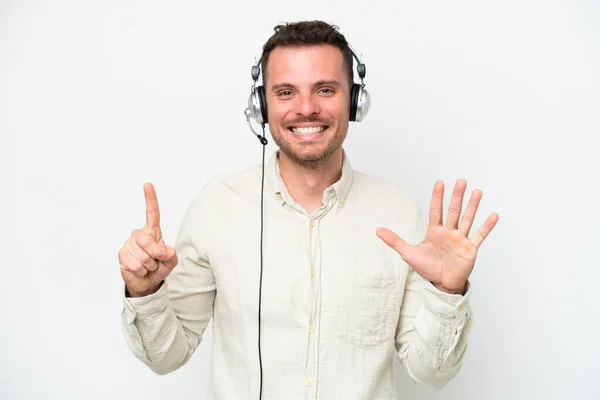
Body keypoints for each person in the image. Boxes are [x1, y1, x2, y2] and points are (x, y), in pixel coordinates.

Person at [119, 20, 499, 399]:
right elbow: (165, 357)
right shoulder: (217, 206)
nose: (306, 108)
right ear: (261, 104)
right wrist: (145, 292)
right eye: (286, 92)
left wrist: (448, 291)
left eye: (325, 89)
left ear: (354, 100)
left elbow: (430, 374)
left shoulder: (399, 213)